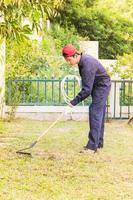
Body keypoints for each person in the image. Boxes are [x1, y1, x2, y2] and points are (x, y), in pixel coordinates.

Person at [62, 44, 111, 153]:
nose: (68, 62)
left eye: (69, 59)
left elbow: (86, 90)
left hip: (102, 86)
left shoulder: (86, 64)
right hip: (97, 85)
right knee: (99, 113)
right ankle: (98, 144)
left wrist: (72, 103)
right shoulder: (82, 62)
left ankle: (91, 147)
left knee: (95, 112)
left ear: (75, 55)